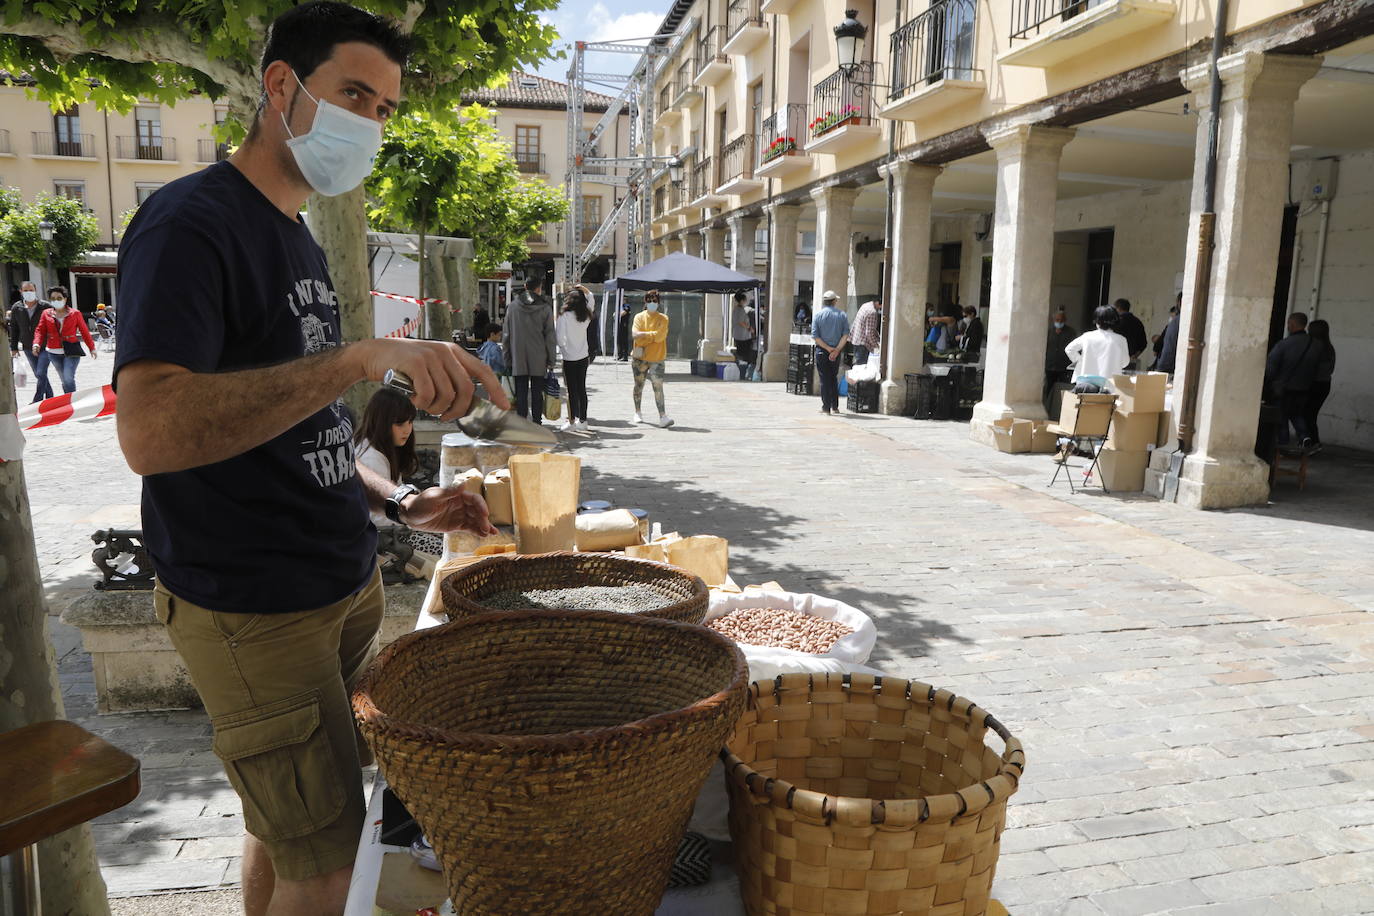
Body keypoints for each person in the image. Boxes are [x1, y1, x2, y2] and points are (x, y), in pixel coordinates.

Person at [112, 6, 507, 913]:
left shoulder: (293, 231)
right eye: (353, 94)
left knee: (284, 826)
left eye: (386, 108)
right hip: (255, 607)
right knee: (328, 864)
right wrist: (362, 356)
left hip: (336, 587)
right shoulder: (190, 224)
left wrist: (399, 502)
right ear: (282, 87)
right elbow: (151, 429)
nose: (370, 123)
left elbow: (308, 425)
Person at [352, 388, 441, 555]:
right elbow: (378, 517)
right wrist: (416, 516)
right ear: (382, 422)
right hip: (385, 539)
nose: (407, 429)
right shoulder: (371, 458)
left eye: (410, 422)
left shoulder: (382, 449)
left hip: (396, 529)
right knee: (442, 548)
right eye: (400, 423)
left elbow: (397, 492)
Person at [502, 272, 556, 427]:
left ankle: (521, 423)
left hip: (517, 355)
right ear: (539, 289)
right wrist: (551, 359)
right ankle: (537, 423)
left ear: (525, 287)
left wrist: (506, 357)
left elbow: (506, 335)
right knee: (537, 391)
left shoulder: (512, 307)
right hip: (539, 356)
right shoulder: (545, 308)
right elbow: (550, 336)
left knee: (521, 392)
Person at [1265, 311, 1322, 445]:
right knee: (1297, 414)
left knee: (1282, 417)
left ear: (1291, 324)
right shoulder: (1316, 345)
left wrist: (1270, 383)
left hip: (1284, 388)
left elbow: (1271, 367)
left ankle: (1283, 445)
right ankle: (1304, 436)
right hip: (1305, 388)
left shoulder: (1284, 344)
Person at [32, 286, 96, 393]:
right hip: (53, 352)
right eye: (53, 298)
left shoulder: (75, 313)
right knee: (64, 380)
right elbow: (40, 330)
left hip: (72, 351)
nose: (56, 300)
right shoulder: (46, 313)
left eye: (59, 298)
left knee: (68, 378)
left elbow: (84, 331)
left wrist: (92, 348)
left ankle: (73, 402)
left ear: (65, 299)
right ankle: (68, 400)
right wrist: (36, 344)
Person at [631, 290, 673, 427]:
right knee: (638, 385)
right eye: (649, 300)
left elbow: (660, 337)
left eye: (654, 301)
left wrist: (644, 336)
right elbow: (635, 335)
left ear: (659, 302)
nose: (652, 303)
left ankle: (663, 416)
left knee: (658, 386)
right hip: (640, 358)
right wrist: (652, 336)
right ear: (645, 302)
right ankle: (637, 412)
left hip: (657, 358)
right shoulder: (638, 317)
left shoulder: (664, 318)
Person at [1065, 305, 1129, 391]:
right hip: (1109, 386)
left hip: (1086, 385)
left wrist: (1081, 361)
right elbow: (1125, 362)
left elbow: (1069, 349)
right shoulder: (1120, 340)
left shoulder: (1088, 336)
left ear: (1097, 321)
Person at [557, 284, 594, 431]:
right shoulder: (586, 315)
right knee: (581, 389)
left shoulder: (564, 316)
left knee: (571, 390)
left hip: (569, 357)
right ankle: (583, 420)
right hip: (583, 355)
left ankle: (572, 421)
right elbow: (591, 300)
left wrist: (564, 349)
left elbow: (559, 338)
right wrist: (584, 288)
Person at [8, 280, 51, 402]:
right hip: (27, 346)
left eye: (31, 290)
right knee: (39, 374)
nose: (29, 293)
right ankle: (50, 398)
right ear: (21, 291)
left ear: (35, 290)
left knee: (41, 372)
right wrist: (14, 347)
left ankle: (37, 400)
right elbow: (14, 328)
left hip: (45, 345)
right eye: (25, 290)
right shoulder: (17, 307)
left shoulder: (45, 306)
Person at [811, 289, 849, 415]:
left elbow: (815, 336)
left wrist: (828, 349)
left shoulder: (818, 315)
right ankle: (835, 406)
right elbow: (845, 335)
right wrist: (836, 350)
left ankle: (825, 407)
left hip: (822, 351)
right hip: (836, 352)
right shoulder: (842, 315)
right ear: (834, 301)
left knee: (824, 379)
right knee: (833, 378)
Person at [1303, 319, 1335, 454]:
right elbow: (1331, 369)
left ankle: (1312, 442)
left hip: (1314, 384)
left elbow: (1310, 367)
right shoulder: (1329, 348)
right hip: (1325, 384)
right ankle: (1312, 441)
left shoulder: (1315, 347)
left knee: (1306, 414)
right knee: (1311, 414)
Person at [1044, 308, 1076, 413]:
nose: (1059, 322)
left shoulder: (1070, 332)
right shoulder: (1048, 332)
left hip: (1064, 366)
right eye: (1057, 320)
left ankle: (1063, 409)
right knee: (1049, 388)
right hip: (1050, 365)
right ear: (1053, 320)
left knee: (1064, 388)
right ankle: (1048, 408)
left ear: (1065, 320)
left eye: (1061, 320)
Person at [1113, 298, 1148, 369]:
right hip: (1131, 361)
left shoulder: (1115, 322)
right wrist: (1134, 356)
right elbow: (1143, 344)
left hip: (1116, 360)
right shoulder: (1138, 322)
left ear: (1118, 308)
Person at [730, 292, 757, 380]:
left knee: (741, 354)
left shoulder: (736, 309)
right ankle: (743, 373)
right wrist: (750, 328)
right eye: (745, 300)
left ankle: (742, 372)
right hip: (743, 336)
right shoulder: (740, 310)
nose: (746, 301)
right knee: (745, 355)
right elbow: (741, 322)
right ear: (741, 300)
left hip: (738, 334)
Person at [850, 299, 881, 367]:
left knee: (857, 365)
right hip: (863, 344)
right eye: (881, 307)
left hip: (856, 339)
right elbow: (869, 333)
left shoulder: (866, 305)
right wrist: (876, 346)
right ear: (878, 303)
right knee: (861, 367)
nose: (880, 309)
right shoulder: (872, 312)